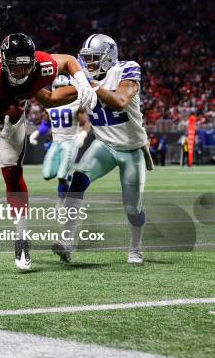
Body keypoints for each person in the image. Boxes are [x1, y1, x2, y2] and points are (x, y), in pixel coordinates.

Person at [0, 11, 97, 271]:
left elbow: (70, 61)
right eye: (15, 65)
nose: (22, 70)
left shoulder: (41, 65)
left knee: (12, 172)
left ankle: (21, 238)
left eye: (26, 65)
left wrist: (84, 83)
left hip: (13, 111)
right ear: (5, 63)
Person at [52, 34, 153, 265]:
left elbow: (120, 101)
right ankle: (66, 242)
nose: (88, 64)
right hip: (104, 145)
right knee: (78, 180)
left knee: (132, 206)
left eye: (94, 58)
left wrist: (92, 86)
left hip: (131, 149)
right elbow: (52, 99)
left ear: (109, 57)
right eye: (86, 59)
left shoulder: (126, 69)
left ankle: (136, 249)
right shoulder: (83, 78)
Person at [29, 74, 91, 206]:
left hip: (70, 142)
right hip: (56, 143)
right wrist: (36, 133)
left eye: (64, 87)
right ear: (54, 88)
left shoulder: (76, 103)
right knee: (47, 174)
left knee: (61, 176)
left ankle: (62, 201)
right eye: (59, 88)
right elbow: (46, 124)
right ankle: (67, 174)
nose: (61, 91)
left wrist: (83, 134)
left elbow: (85, 122)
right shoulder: (50, 104)